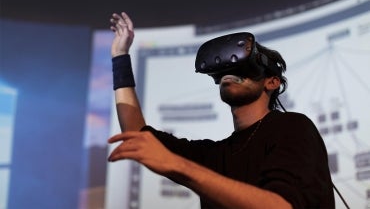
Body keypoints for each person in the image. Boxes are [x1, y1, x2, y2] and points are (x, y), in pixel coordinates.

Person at [107, 12, 335, 209]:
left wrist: (180, 166)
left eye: (243, 67)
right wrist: (120, 56)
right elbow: (137, 135)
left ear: (271, 82)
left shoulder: (293, 127)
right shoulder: (214, 155)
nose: (231, 73)